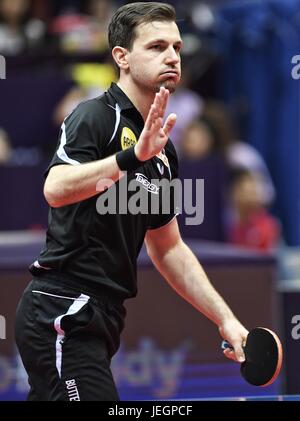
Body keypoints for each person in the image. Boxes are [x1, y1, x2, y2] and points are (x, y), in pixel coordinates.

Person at [15, 2, 248, 401]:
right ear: (121, 57)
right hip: (63, 310)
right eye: (157, 46)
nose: (172, 56)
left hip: (104, 318)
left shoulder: (162, 151)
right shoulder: (94, 117)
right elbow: (55, 187)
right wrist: (128, 159)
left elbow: (169, 246)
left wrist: (224, 318)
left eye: (176, 47)